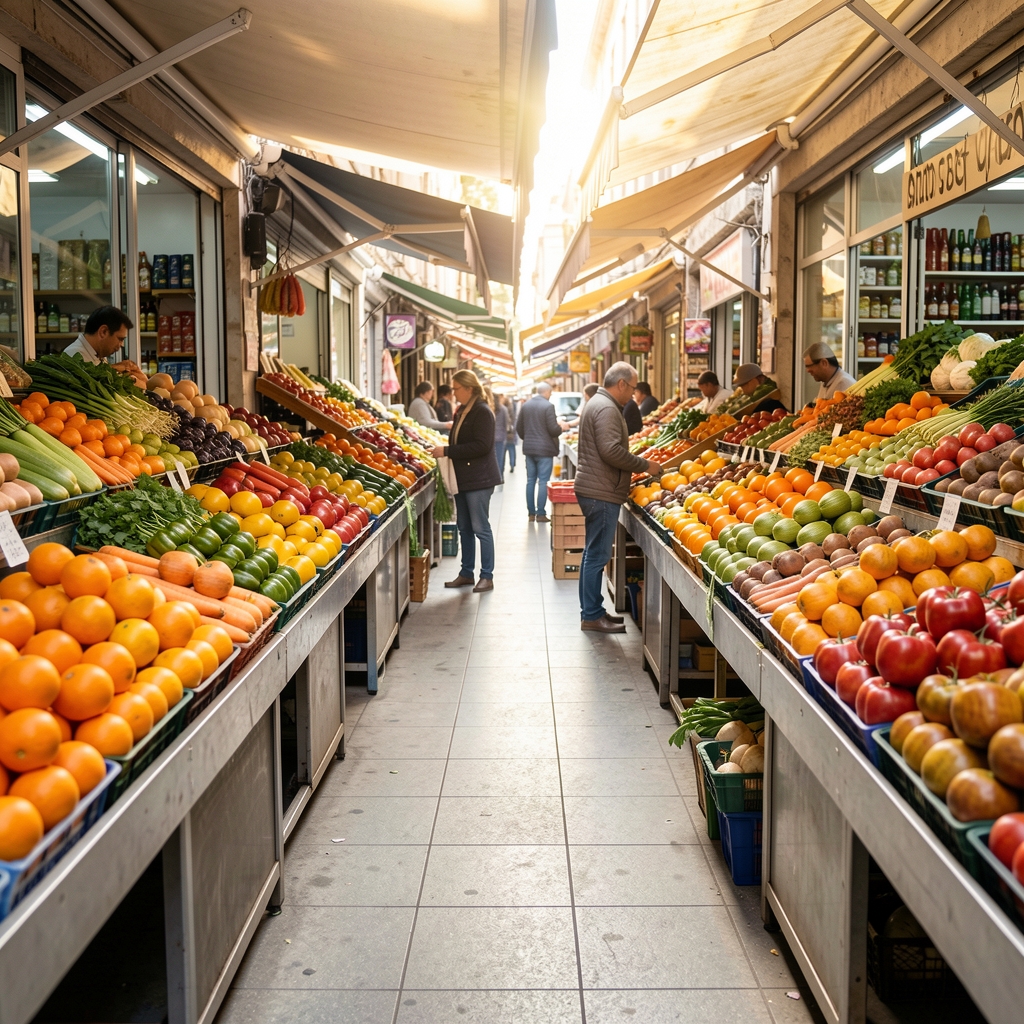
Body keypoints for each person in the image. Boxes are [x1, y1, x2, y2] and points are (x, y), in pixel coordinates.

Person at [574, 361, 661, 633]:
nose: (634, 395)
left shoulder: (599, 403)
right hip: (601, 491)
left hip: (596, 487)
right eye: (632, 388)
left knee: (593, 553)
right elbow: (610, 451)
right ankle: (591, 615)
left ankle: (594, 610)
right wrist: (645, 465)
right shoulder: (607, 408)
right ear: (621, 383)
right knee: (596, 556)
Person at [431, 370, 500, 593]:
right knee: (464, 527)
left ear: (469, 389)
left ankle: (487, 576)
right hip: (464, 479)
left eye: (456, 389)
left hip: (479, 479)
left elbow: (483, 445)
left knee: (481, 528)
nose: (453, 393)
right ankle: (466, 573)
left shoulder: (482, 411)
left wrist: (447, 450)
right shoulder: (463, 410)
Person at [517, 382, 563, 522]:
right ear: (547, 392)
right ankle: (541, 513)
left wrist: (529, 439)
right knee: (543, 481)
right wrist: (561, 427)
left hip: (529, 449)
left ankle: (531, 513)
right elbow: (553, 429)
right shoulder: (548, 406)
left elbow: (519, 428)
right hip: (544, 450)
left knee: (530, 480)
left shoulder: (526, 405)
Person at [63, 306, 132, 364]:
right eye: (120, 339)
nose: (122, 345)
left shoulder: (99, 353)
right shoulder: (73, 356)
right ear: (103, 332)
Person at [493, 391, 509, 481]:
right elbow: (506, 423)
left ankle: (493, 477)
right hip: (501, 437)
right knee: (500, 458)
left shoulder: (489, 408)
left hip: (490, 438)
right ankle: (499, 477)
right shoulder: (503, 409)